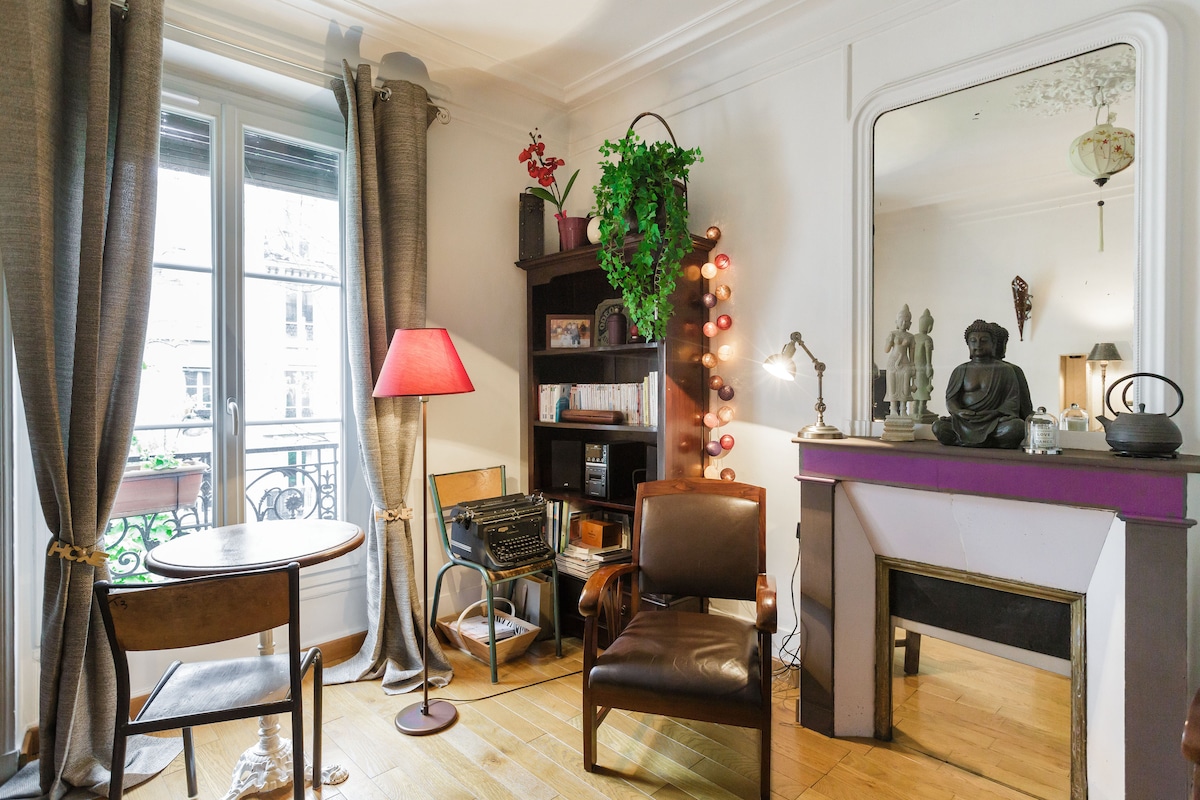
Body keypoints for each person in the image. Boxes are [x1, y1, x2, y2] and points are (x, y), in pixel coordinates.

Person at [932, 320, 1028, 448]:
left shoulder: (1005, 370)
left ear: (993, 344)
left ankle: (966, 441)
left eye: (983, 341)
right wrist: (959, 412)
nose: (978, 345)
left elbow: (1012, 401)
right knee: (938, 427)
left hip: (994, 421)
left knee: (1017, 428)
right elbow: (951, 399)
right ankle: (986, 441)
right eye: (973, 341)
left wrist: (996, 413)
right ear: (968, 344)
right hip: (965, 421)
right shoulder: (961, 370)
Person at [883, 305, 915, 417]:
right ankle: (893, 409)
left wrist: (913, 366)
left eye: (906, 321)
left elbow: (912, 355)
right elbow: (886, 350)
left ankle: (903, 409)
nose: (903, 323)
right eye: (901, 320)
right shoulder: (893, 334)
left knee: (905, 385)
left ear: (909, 324)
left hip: (905, 363)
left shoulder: (911, 337)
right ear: (896, 321)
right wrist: (890, 341)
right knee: (893, 385)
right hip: (892, 362)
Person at [911, 309, 935, 422]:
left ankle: (915, 410)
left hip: (914, 367)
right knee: (924, 388)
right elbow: (928, 354)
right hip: (923, 367)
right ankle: (921, 410)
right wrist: (929, 366)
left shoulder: (914, 337)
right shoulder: (927, 339)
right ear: (929, 326)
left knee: (916, 388)